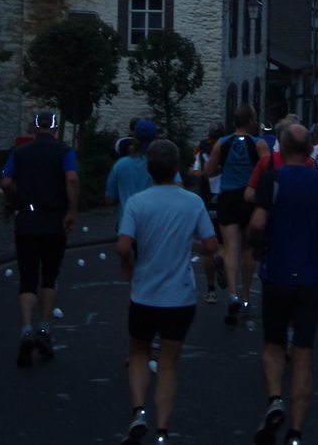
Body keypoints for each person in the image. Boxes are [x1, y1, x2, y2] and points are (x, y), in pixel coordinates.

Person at [248, 122, 318, 445]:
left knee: (273, 344)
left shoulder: (273, 179)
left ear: (280, 150)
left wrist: (257, 244)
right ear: (310, 151)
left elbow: (257, 222)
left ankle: (274, 400)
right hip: (312, 278)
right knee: (304, 354)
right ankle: (295, 433)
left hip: (277, 273)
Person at [117, 139, 217, 445]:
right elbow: (211, 245)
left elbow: (123, 246)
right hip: (180, 297)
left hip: (144, 294)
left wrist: (130, 265)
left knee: (138, 353)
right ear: (176, 168)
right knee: (169, 364)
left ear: (149, 169)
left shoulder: (137, 202)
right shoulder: (192, 202)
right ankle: (162, 429)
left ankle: (138, 412)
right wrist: (191, 242)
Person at [0, 111, 80, 367]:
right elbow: (72, 178)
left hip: (27, 220)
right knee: (49, 276)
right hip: (54, 220)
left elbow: (5, 181)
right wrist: (72, 211)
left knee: (27, 278)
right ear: (55, 130)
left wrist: (17, 198)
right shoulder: (64, 152)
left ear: (35, 129)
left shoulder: (20, 153)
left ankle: (25, 330)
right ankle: (44, 329)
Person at [203, 104, 271, 324]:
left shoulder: (221, 144)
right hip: (250, 198)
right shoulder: (259, 144)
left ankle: (232, 293)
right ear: (251, 122)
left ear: (234, 122)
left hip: (228, 197)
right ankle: (245, 296)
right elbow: (269, 173)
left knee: (231, 247)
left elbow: (209, 172)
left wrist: (226, 167)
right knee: (248, 247)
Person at [189, 121, 226, 302]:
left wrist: (193, 172)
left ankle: (211, 290)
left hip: (206, 200)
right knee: (224, 242)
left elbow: (197, 172)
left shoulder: (202, 150)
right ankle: (222, 258)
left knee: (207, 247)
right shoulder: (228, 149)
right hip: (224, 200)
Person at [105, 119, 158, 228]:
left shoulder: (120, 165)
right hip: (153, 223)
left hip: (127, 224)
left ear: (134, 137)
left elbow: (108, 199)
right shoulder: (161, 163)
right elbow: (177, 186)